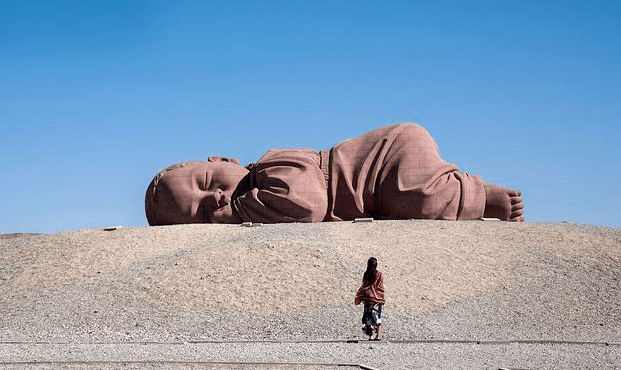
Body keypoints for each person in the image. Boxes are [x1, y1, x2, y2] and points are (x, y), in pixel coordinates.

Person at [145, 123, 524, 225]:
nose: (215, 199)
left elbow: (307, 203)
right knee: (411, 205)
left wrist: (239, 213)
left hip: (387, 160)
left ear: (225, 160)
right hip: (376, 193)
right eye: (201, 212)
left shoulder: (273, 165)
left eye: (207, 184)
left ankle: (482, 196)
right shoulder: (261, 194)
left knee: (420, 198)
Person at [354, 257, 385, 340]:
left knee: (368, 317)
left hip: (368, 298)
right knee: (377, 317)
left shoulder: (367, 274)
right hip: (377, 298)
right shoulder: (379, 274)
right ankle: (378, 335)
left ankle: (371, 335)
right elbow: (379, 287)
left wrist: (359, 296)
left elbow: (363, 286)